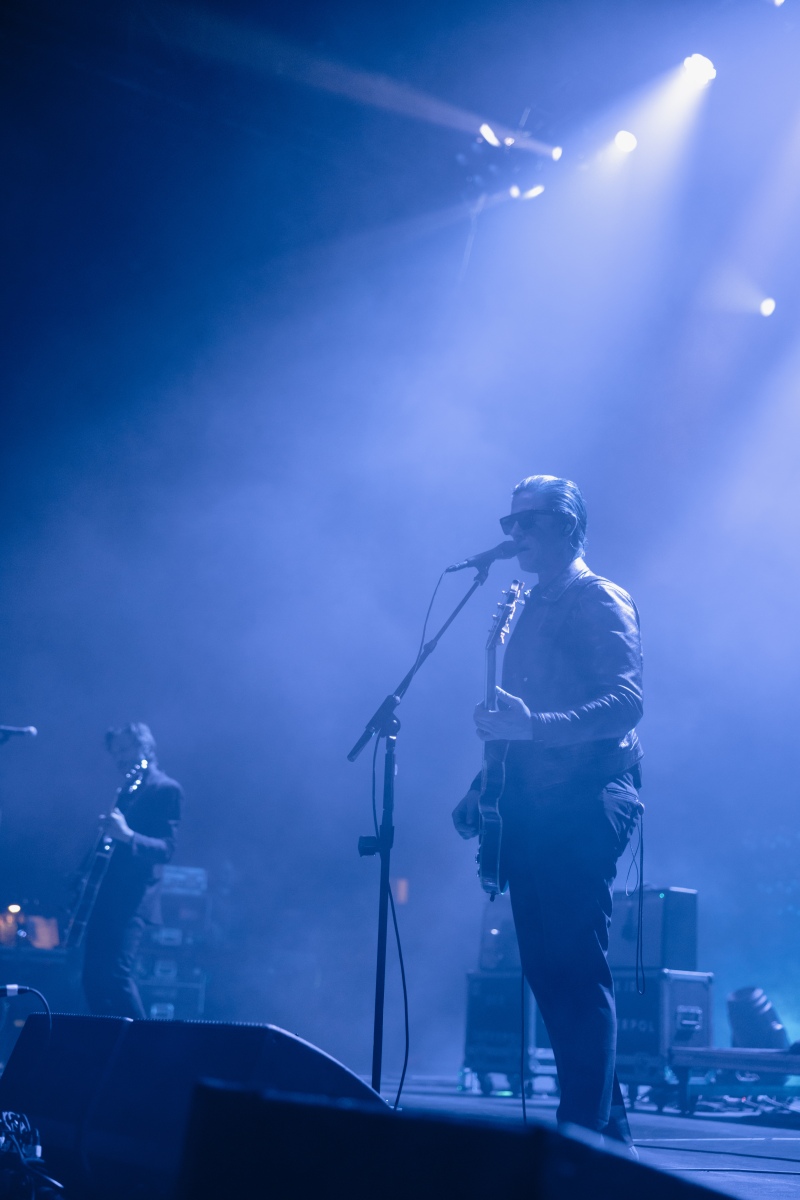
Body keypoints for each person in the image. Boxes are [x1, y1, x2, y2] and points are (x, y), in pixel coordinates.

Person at [452, 475, 643, 1151]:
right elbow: (516, 720)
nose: (513, 535)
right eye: (509, 523)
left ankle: (577, 1141)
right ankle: (610, 1140)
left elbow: (626, 704)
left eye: (526, 522)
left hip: (587, 801)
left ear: (566, 524)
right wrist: (483, 786)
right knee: (547, 973)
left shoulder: (599, 597)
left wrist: (535, 727)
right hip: (533, 807)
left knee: (575, 971)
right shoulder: (530, 604)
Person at [82, 722, 182, 1019]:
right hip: (105, 893)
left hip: (133, 897)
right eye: (115, 752)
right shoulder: (126, 790)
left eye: (125, 749)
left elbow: (167, 849)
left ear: (145, 747)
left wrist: (127, 835)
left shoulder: (166, 789)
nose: (119, 757)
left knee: (116, 975)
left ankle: (143, 1044)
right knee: (91, 979)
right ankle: (108, 1043)